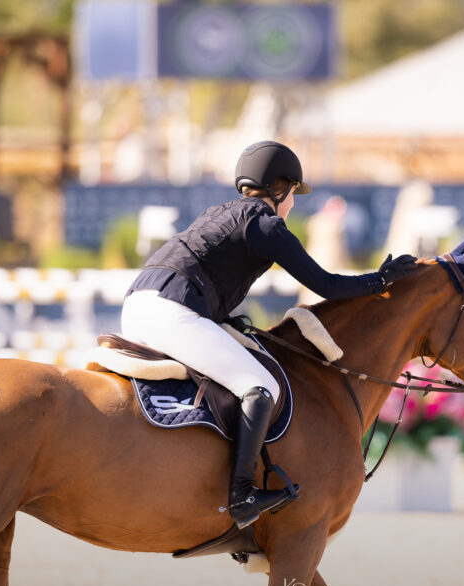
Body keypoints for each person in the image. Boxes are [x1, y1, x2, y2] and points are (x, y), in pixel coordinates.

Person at [121, 140, 417, 529]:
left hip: (139, 305)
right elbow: (325, 284)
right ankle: (242, 494)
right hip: (170, 310)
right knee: (260, 385)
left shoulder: (220, 213)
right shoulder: (264, 223)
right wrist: (380, 279)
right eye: (293, 193)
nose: (293, 204)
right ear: (279, 187)